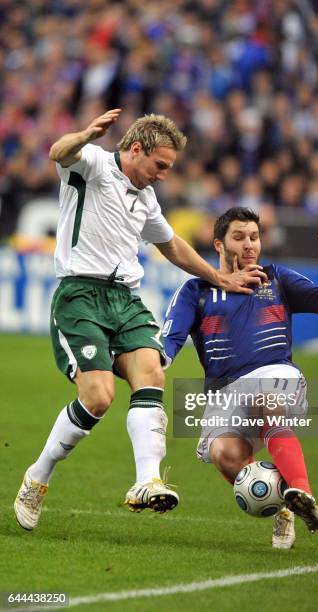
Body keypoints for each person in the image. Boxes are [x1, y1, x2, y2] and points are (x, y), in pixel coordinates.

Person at [14, 111, 267, 531]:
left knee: (151, 371)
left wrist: (219, 276)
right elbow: (58, 152)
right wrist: (84, 134)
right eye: (160, 165)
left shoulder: (146, 197)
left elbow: (171, 245)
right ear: (135, 149)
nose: (164, 175)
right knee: (98, 397)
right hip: (80, 295)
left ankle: (146, 481)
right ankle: (37, 478)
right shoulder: (92, 163)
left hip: (124, 297)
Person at [163, 207, 318, 548]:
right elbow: (170, 340)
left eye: (254, 237)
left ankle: (303, 494)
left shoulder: (276, 278)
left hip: (277, 376)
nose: (250, 245)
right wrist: (155, 365)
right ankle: (285, 508)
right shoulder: (197, 290)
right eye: (239, 237)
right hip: (225, 394)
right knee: (224, 453)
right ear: (218, 245)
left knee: (264, 400)